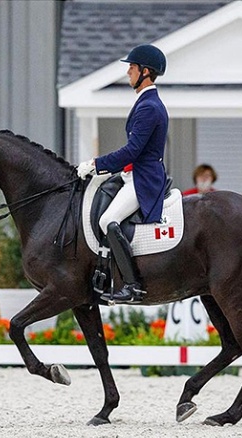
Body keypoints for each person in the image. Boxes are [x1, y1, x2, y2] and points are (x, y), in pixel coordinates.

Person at [76, 44, 169, 303]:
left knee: (108, 220)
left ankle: (132, 285)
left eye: (132, 67)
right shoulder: (145, 102)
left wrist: (95, 164)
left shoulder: (150, 106)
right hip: (133, 173)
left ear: (146, 72)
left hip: (144, 178)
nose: (128, 71)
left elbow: (132, 151)